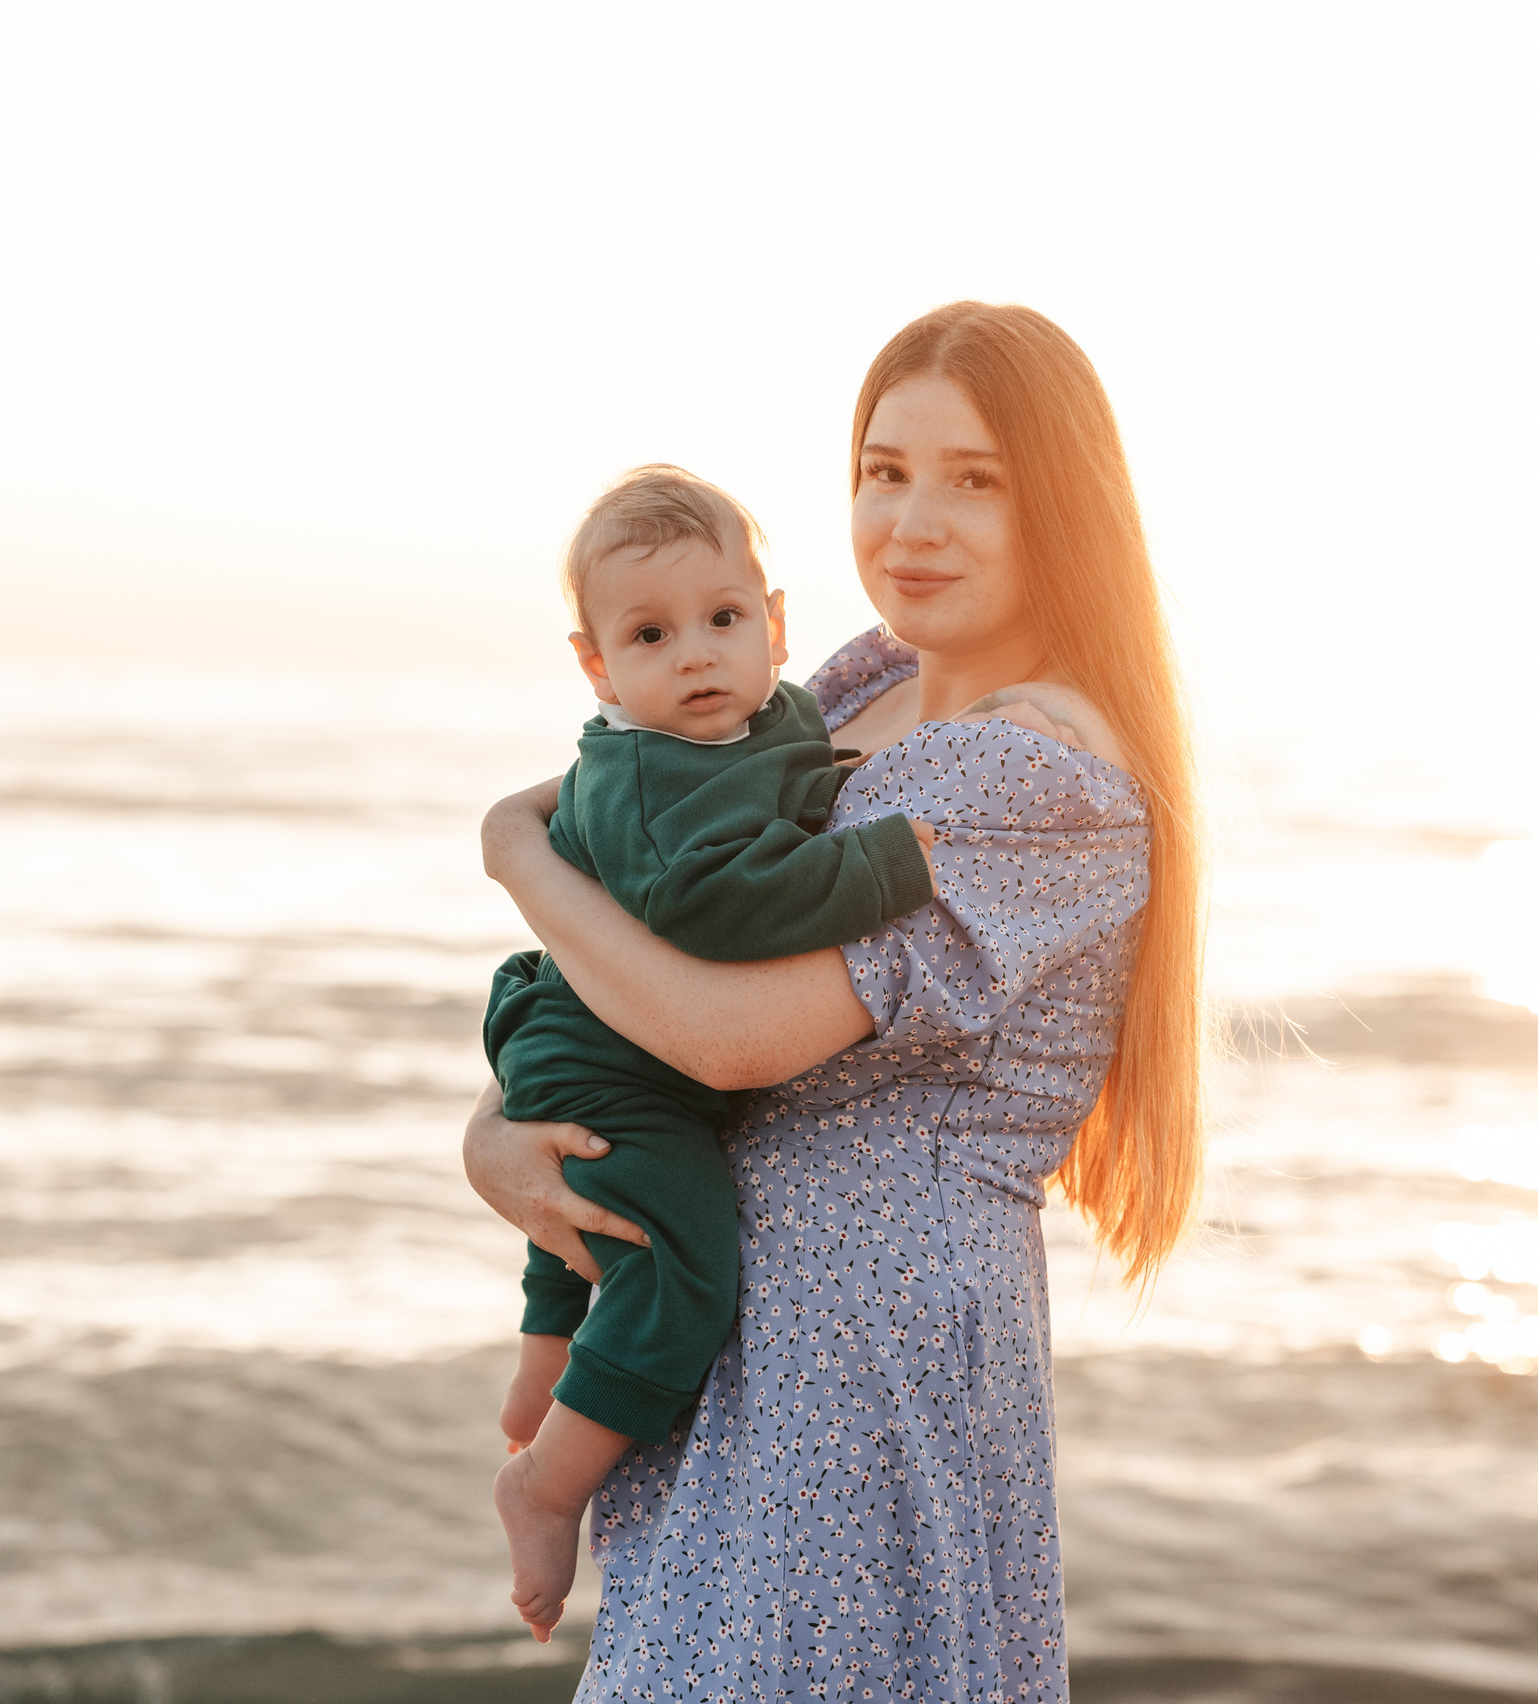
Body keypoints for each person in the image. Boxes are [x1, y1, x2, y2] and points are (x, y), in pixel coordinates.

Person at [467, 302, 1206, 1701]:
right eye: (884, 470)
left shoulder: (1031, 775)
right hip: (732, 1323)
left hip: (863, 1362)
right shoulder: (859, 684)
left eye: (975, 479)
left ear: (1065, 503)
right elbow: (634, 925)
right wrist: (497, 1130)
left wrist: (510, 851)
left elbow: (724, 1029)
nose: (912, 522)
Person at [489, 463, 940, 1638]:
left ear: (776, 623)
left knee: (600, 1210)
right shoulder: (644, 778)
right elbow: (719, 907)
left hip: (605, 1047)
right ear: (596, 665)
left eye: (723, 620)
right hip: (609, 1063)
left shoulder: (783, 710)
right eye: (650, 634)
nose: (696, 655)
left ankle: (545, 1377)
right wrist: (884, 861)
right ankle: (545, 1484)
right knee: (677, 1258)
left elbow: (795, 788)